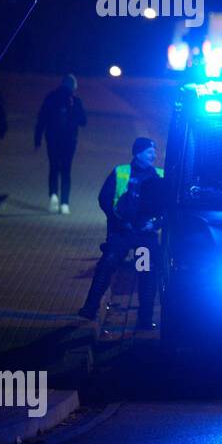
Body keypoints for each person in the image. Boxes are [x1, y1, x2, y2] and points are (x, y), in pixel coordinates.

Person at [77, 137, 165, 328]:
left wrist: (155, 224)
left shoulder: (159, 175)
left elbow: (166, 207)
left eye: (154, 152)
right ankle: (90, 308)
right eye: (150, 151)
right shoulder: (120, 172)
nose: (154, 155)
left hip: (144, 236)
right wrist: (118, 221)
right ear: (138, 153)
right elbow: (105, 199)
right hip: (122, 233)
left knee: (145, 272)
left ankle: (145, 318)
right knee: (107, 265)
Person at [34, 74, 86, 214]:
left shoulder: (51, 97)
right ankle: (64, 202)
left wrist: (37, 139)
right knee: (66, 170)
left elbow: (42, 118)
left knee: (54, 167)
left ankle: (53, 196)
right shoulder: (74, 100)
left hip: (53, 139)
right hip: (69, 140)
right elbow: (83, 121)